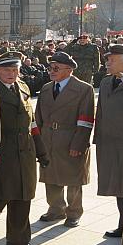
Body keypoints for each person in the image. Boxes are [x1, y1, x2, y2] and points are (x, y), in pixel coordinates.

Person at [0, 51, 49, 245]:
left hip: (25, 151)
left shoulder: (23, 87)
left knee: (23, 196)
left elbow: (31, 122)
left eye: (15, 70)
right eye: (6, 70)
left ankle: (18, 238)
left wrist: (41, 150)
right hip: (2, 151)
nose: (12, 73)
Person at [35, 52, 95, 228]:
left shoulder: (84, 89)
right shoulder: (46, 88)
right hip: (48, 138)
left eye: (56, 68)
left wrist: (79, 143)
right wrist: (37, 140)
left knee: (73, 177)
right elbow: (38, 116)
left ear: (69, 70)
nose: (51, 71)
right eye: (50, 67)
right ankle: (55, 209)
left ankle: (74, 212)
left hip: (70, 138)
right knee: (50, 176)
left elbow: (85, 120)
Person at [95, 44, 123, 237]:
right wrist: (98, 139)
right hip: (110, 144)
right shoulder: (107, 82)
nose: (107, 63)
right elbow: (100, 113)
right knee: (119, 185)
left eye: (111, 60)